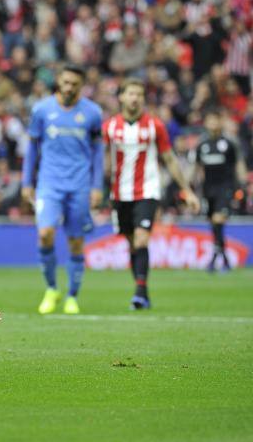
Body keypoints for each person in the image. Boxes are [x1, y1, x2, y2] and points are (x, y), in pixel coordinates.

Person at [103, 78, 200, 309]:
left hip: (147, 190)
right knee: (132, 244)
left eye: (139, 94)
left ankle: (139, 292)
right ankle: (143, 292)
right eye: (131, 94)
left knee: (141, 238)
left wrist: (187, 190)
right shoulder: (109, 127)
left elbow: (169, 158)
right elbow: (101, 158)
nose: (135, 98)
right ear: (121, 97)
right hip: (119, 193)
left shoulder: (155, 126)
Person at [21, 65, 104, 316]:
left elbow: (98, 152)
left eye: (74, 84)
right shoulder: (41, 109)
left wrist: (97, 185)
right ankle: (51, 289)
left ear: (82, 85)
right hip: (49, 184)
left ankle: (72, 296)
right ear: (59, 81)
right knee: (45, 234)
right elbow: (32, 148)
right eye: (65, 82)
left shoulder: (92, 112)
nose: (69, 88)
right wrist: (27, 182)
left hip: (79, 185)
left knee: (76, 242)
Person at [189, 110, 248, 272]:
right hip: (208, 189)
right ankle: (223, 258)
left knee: (218, 219)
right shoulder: (202, 144)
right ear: (206, 123)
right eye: (210, 121)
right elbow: (196, 167)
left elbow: (238, 163)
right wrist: (189, 187)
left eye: (216, 120)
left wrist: (243, 184)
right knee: (213, 223)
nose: (213, 124)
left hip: (225, 187)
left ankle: (215, 258)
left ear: (220, 122)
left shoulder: (229, 142)